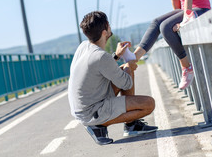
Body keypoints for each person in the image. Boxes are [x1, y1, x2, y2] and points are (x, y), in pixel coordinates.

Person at [68, 11, 158, 145]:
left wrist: (116, 56)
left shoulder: (84, 47)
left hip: (84, 107)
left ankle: (131, 125)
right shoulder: (100, 56)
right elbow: (127, 84)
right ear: (105, 31)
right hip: (92, 112)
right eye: (108, 25)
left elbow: (101, 67)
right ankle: (98, 125)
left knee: (122, 70)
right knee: (149, 104)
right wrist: (129, 66)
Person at [134, 0, 211, 90]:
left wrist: (184, 20)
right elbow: (175, 0)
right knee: (157, 22)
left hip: (200, 9)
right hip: (184, 10)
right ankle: (135, 56)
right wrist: (176, 17)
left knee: (166, 27)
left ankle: (186, 68)